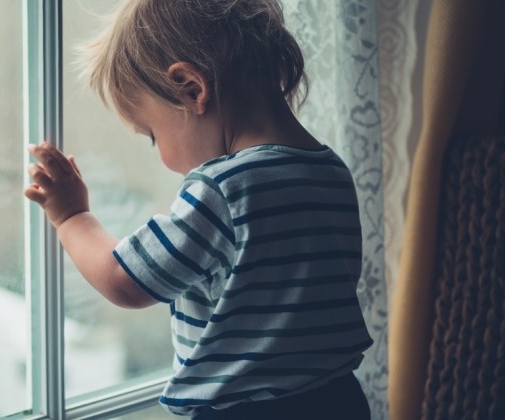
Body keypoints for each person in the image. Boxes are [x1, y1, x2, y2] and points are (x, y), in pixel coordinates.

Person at [24, 0, 373, 418]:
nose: (161, 156)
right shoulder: (331, 170)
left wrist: (71, 216)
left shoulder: (223, 189)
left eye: (152, 135)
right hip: (339, 400)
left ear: (191, 89)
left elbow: (123, 280)